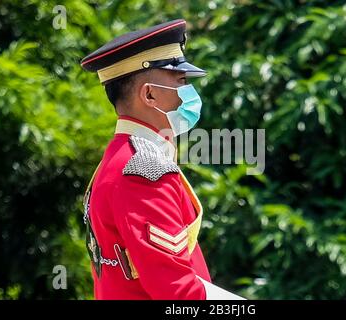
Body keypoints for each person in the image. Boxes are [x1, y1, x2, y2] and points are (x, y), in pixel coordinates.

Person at [80, 19, 244, 300]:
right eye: (181, 82)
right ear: (150, 94)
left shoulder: (118, 157)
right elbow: (176, 291)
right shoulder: (144, 170)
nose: (189, 92)